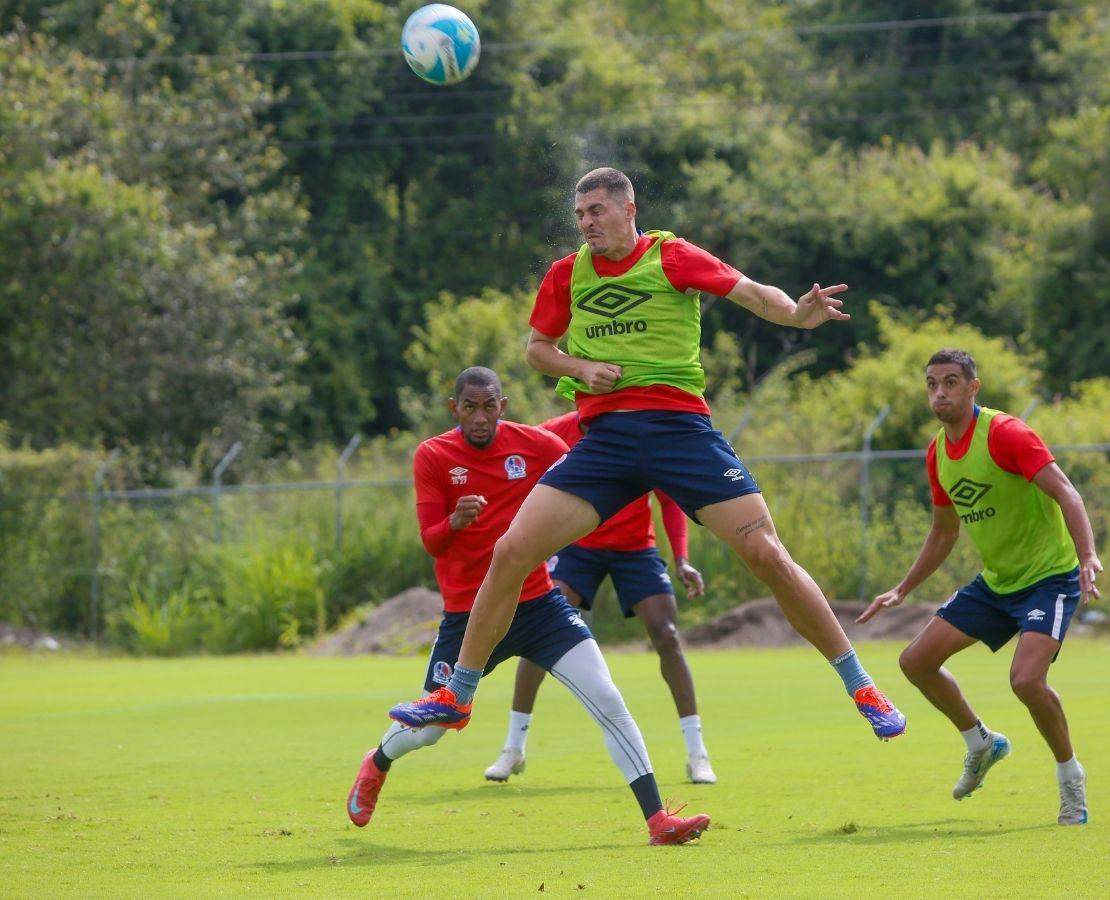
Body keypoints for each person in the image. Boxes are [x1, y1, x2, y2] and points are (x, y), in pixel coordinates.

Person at [388, 166, 906, 746]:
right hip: (606, 441)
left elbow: (754, 293)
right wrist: (581, 369)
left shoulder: (673, 257)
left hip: (680, 432)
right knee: (510, 550)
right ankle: (456, 694)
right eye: (580, 214)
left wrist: (795, 314)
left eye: (598, 211)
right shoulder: (568, 275)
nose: (586, 223)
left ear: (629, 210)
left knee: (766, 553)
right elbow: (537, 350)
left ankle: (861, 685)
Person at [346, 367, 710, 846]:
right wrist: (455, 520)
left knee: (609, 701)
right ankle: (377, 762)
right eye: (470, 407)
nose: (480, 417)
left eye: (489, 406)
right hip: (469, 618)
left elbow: (593, 472)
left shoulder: (536, 446)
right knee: (433, 731)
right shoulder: (432, 455)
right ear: (454, 409)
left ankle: (657, 821)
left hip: (540, 606)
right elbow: (432, 544)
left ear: (504, 405)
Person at [857, 348, 1101, 825]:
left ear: (973, 386)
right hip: (998, 583)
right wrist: (902, 589)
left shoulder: (1006, 434)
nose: (940, 392)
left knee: (1027, 681)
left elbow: (1066, 492)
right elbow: (944, 533)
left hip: (1049, 577)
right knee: (916, 662)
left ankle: (1071, 779)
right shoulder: (937, 454)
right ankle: (981, 743)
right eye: (932, 384)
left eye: (950, 382)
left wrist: (1089, 555)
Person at [484, 409, 716, 785]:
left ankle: (697, 753)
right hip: (576, 544)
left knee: (667, 632)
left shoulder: (639, 425)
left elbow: (668, 498)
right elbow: (521, 472)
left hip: (634, 547)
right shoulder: (555, 432)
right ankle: (513, 748)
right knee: (540, 631)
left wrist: (682, 559)